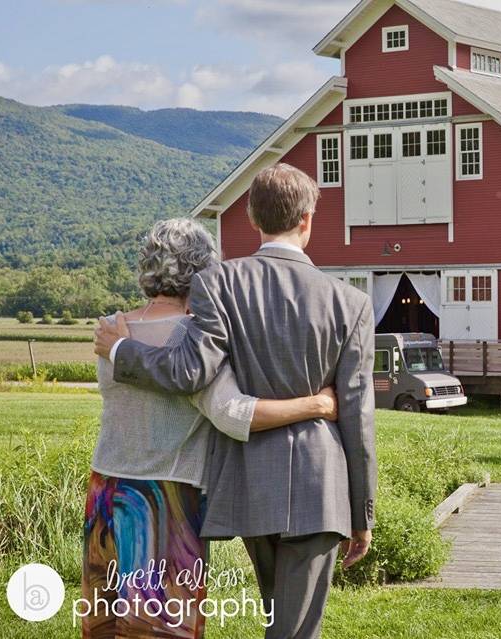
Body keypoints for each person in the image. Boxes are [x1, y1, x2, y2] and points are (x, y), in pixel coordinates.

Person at [95, 163, 377, 639]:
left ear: (251, 218)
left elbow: (190, 370)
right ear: (307, 219)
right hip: (320, 485)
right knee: (297, 629)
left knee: (278, 618)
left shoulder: (218, 284)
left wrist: (124, 350)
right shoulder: (351, 303)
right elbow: (357, 415)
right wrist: (362, 511)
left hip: (252, 482)